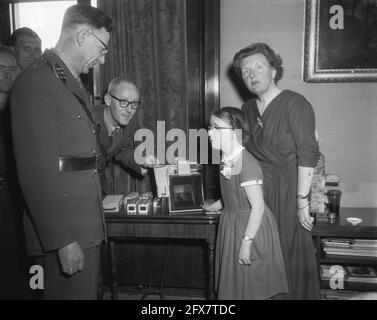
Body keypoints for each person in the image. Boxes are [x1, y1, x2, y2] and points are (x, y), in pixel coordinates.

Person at [11, 5, 112, 300]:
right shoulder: (35, 82)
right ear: (83, 35)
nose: (103, 57)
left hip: (83, 225)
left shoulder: (66, 81)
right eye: (103, 47)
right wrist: (63, 240)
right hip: (63, 235)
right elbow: (36, 170)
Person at [232, 43, 321, 299]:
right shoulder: (246, 110)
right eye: (246, 70)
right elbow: (240, 157)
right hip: (258, 193)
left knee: (289, 256)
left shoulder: (295, 103)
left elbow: (308, 152)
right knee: (262, 257)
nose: (251, 74)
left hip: (289, 191)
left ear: (273, 71)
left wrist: (302, 202)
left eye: (259, 66)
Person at [202, 107, 288, 300]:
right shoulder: (227, 159)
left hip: (250, 226)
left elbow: (258, 207)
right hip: (233, 222)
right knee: (236, 287)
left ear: (234, 132)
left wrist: (246, 242)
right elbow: (234, 191)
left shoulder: (246, 163)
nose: (209, 132)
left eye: (216, 127)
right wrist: (218, 204)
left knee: (250, 287)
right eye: (210, 127)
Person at [92, 78, 156, 195]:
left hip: (99, 185)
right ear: (108, 100)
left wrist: (141, 160)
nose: (129, 110)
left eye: (134, 103)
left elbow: (122, 150)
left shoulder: (131, 123)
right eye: (123, 102)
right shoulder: (89, 120)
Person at [0, 45, 24, 299]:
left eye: (12, 69)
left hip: (18, 195)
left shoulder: (20, 111)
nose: (7, 74)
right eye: (1, 69)